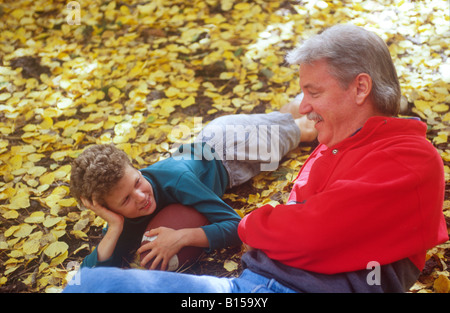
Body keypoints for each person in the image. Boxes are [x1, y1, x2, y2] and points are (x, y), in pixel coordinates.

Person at [64, 24, 448, 293]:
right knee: (88, 284)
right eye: (303, 93)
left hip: (231, 149)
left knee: (294, 127)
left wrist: (253, 225)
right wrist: (115, 227)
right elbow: (310, 224)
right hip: (253, 285)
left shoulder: (408, 157)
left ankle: (286, 119)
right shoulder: (339, 147)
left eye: (313, 92)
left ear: (361, 87)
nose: (308, 102)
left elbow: (309, 230)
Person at [70, 109, 316, 270]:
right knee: (287, 119)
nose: (141, 196)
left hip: (233, 146)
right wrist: (113, 226)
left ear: (135, 168)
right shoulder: (119, 215)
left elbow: (234, 225)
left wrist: (182, 237)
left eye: (137, 181)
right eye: (125, 200)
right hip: (214, 146)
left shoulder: (177, 180)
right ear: (106, 208)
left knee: (307, 128)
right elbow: (91, 275)